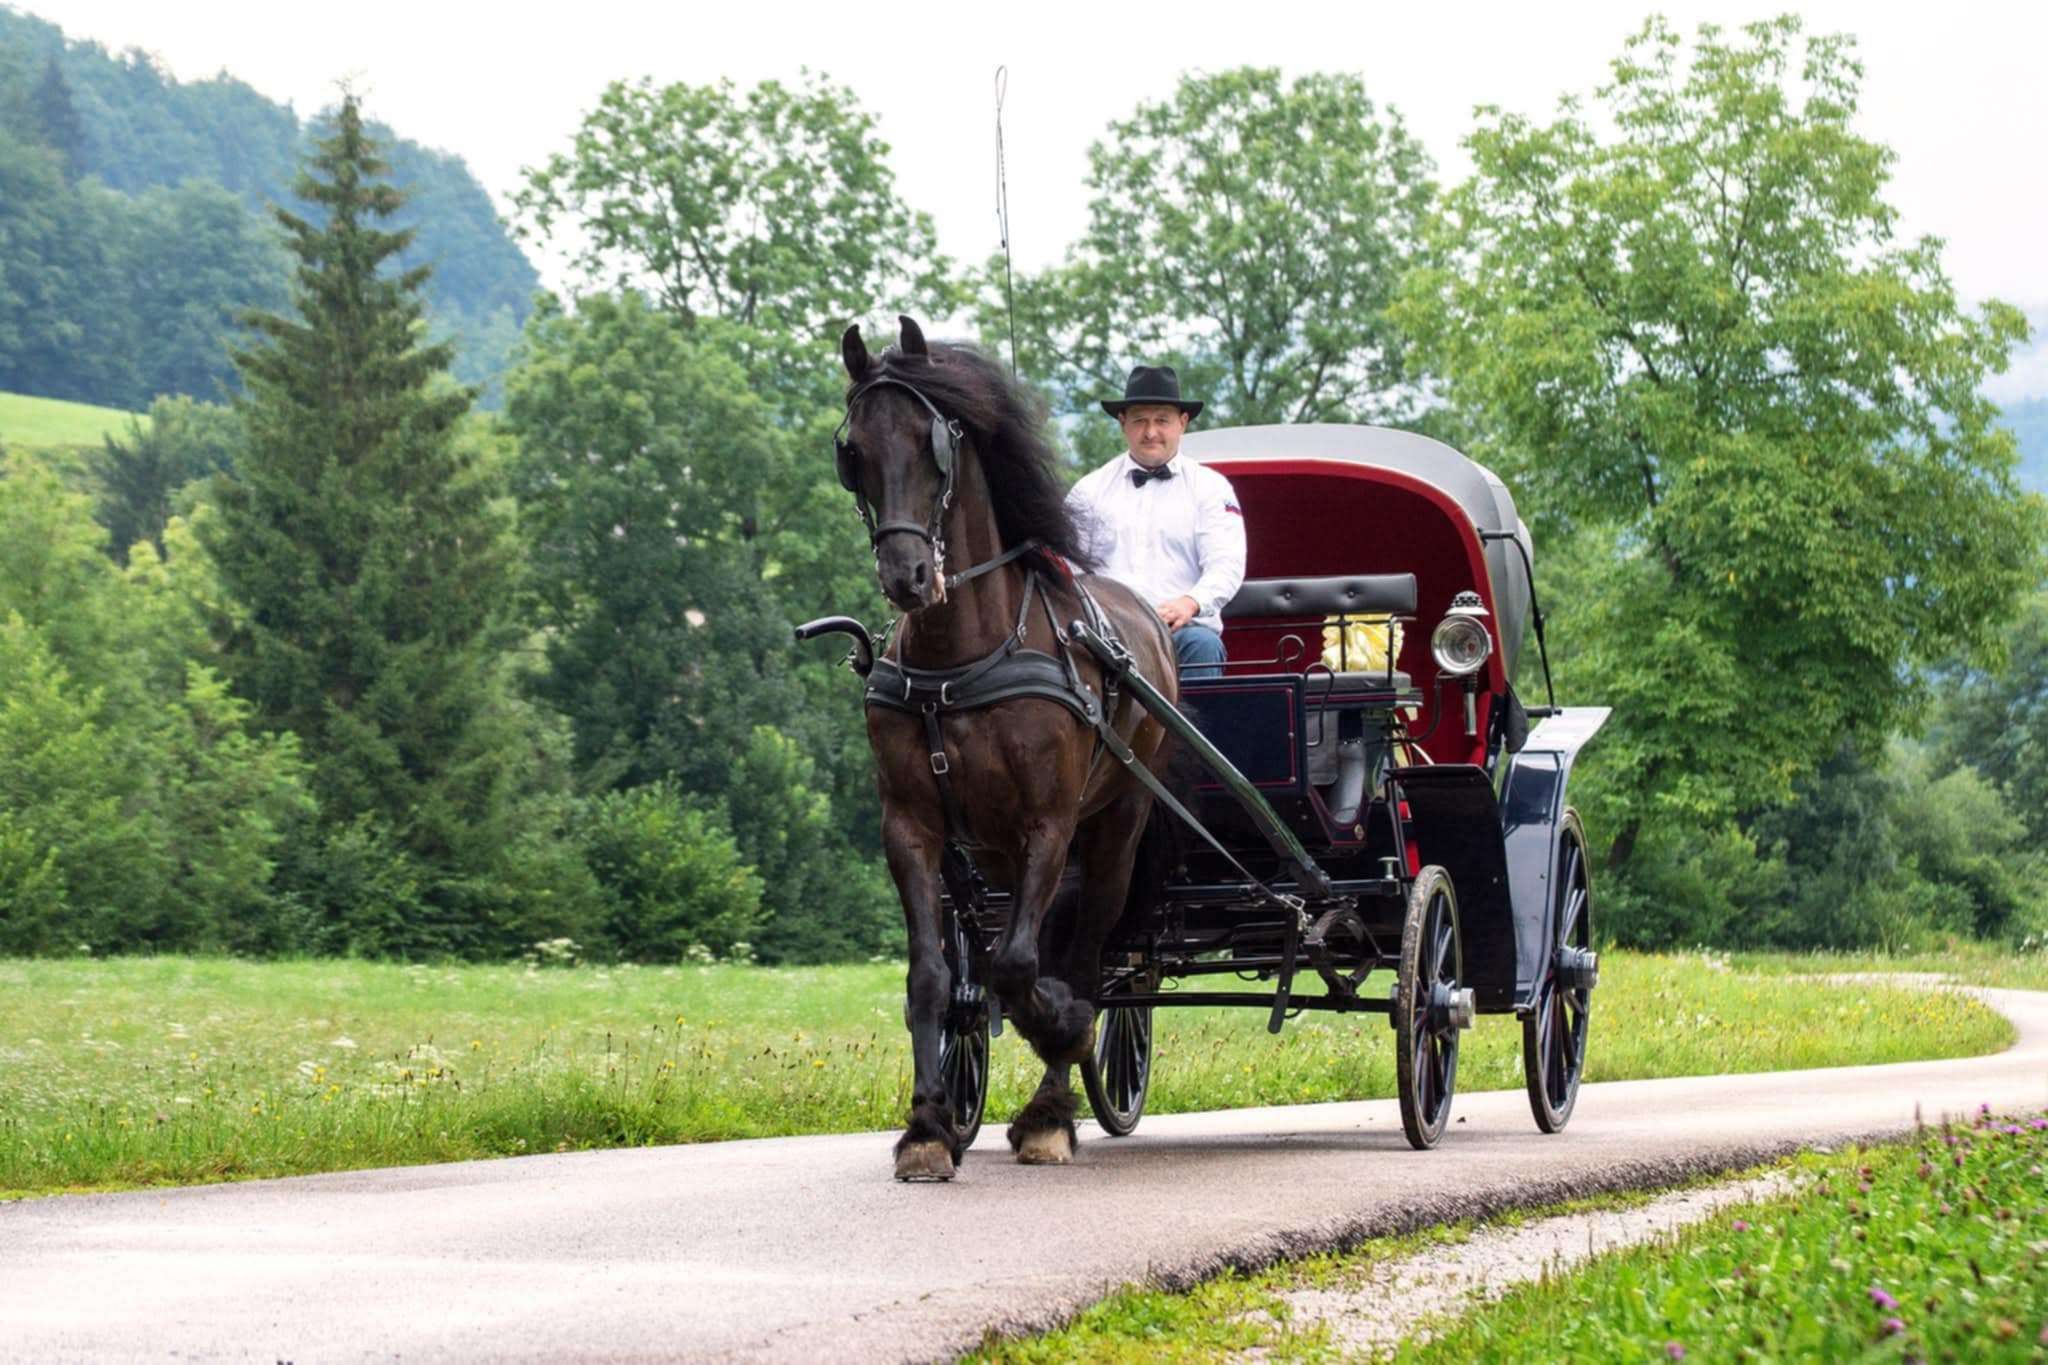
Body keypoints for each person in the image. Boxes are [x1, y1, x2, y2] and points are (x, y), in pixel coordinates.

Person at [1066, 365, 1245, 680]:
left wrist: (1190, 603)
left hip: (1182, 634)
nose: (1150, 432)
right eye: (1140, 421)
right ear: (1123, 424)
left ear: (1182, 423)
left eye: (1162, 420)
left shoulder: (1212, 488)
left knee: (1202, 645)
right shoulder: (1088, 491)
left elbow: (1226, 565)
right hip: (1107, 636)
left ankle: (1195, 731)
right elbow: (1068, 566)